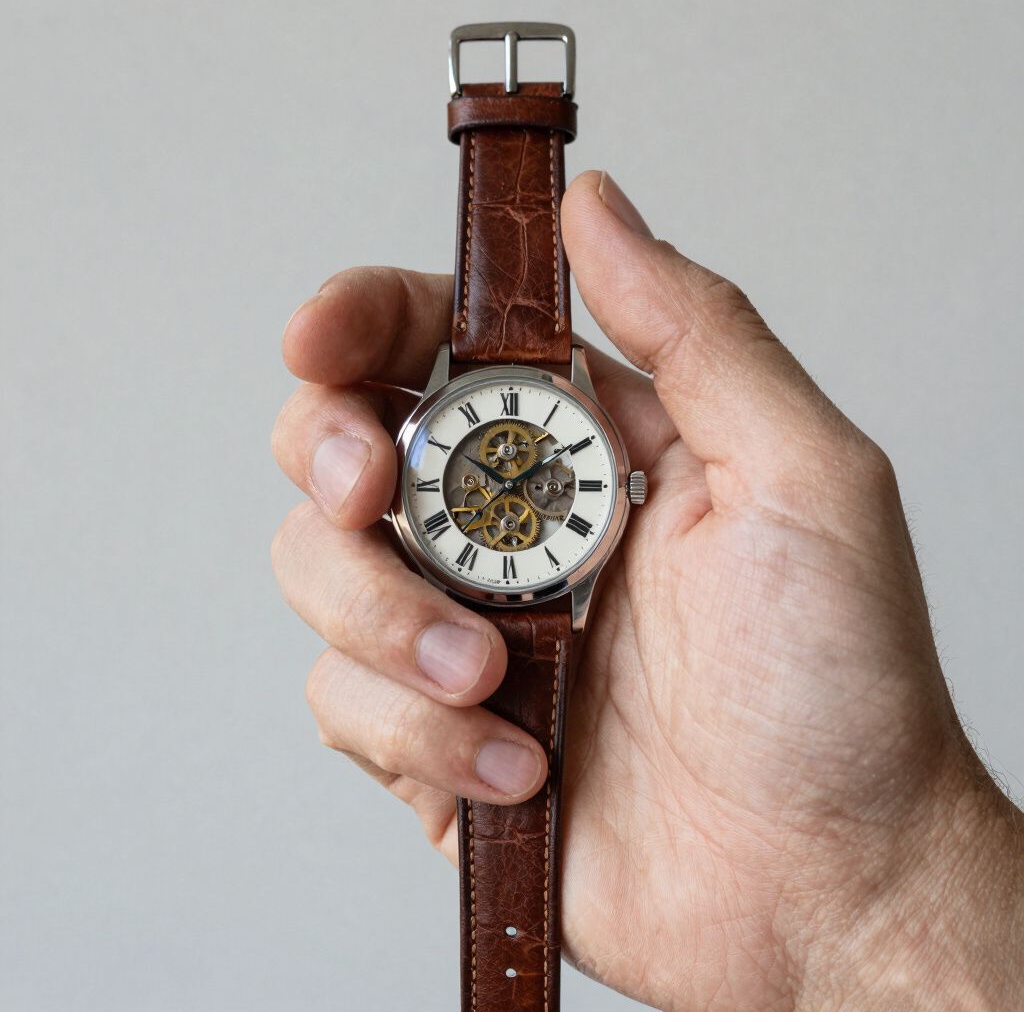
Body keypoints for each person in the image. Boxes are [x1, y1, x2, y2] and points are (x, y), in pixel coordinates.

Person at [271, 170, 1023, 1010]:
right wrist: (879, 912)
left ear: (624, 484)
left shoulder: (593, 492)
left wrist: (875, 899)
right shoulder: (520, 471)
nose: (516, 496)